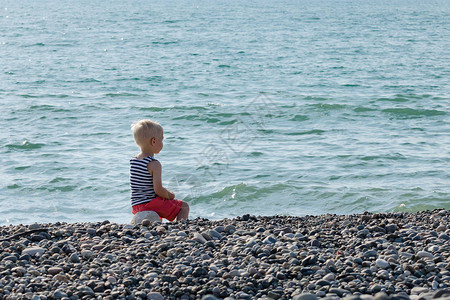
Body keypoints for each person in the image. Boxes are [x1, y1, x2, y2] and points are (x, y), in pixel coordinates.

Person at [130, 119, 189, 221]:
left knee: (160, 205)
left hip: (136, 206)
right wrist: (169, 195)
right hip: (149, 204)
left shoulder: (134, 161)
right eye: (161, 140)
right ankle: (181, 228)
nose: (162, 143)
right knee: (183, 207)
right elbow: (158, 190)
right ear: (153, 141)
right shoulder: (154, 164)